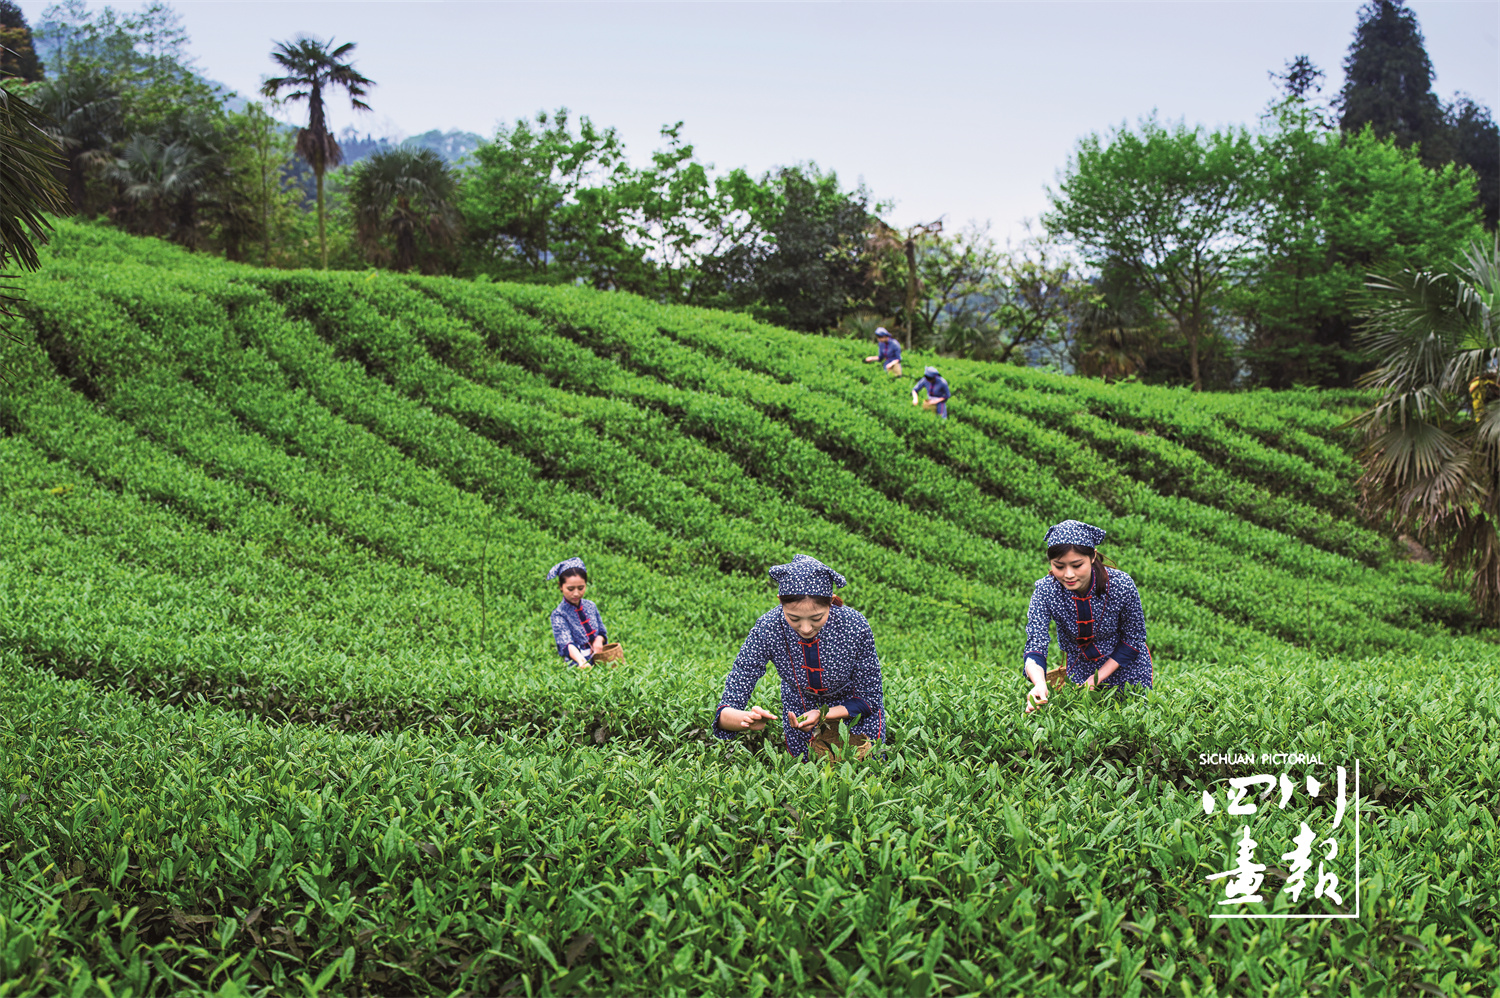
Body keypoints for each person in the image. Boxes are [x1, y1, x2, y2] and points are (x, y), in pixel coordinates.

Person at [714, 555, 887, 760]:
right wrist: (739, 717)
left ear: (831, 601)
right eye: (794, 618)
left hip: (853, 709)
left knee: (863, 770)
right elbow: (743, 672)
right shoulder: (768, 627)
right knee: (806, 776)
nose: (805, 629)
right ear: (780, 602)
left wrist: (823, 714)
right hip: (800, 713)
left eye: (817, 618)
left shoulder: (855, 626)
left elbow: (870, 697)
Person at [1021, 520, 1152, 712]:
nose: (1068, 574)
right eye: (1059, 566)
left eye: (1077, 565)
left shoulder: (1120, 585)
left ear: (1093, 557)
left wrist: (1096, 679)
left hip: (1126, 667)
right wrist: (1040, 683)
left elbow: (1133, 639)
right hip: (1081, 668)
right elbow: (1036, 645)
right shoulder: (1045, 591)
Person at [547, 557, 607, 667]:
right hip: (576, 664)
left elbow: (602, 632)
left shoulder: (590, 606)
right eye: (570, 589)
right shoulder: (559, 614)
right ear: (560, 586)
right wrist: (581, 661)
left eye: (581, 588)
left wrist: (599, 640)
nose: (576, 593)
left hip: (600, 659)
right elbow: (566, 643)